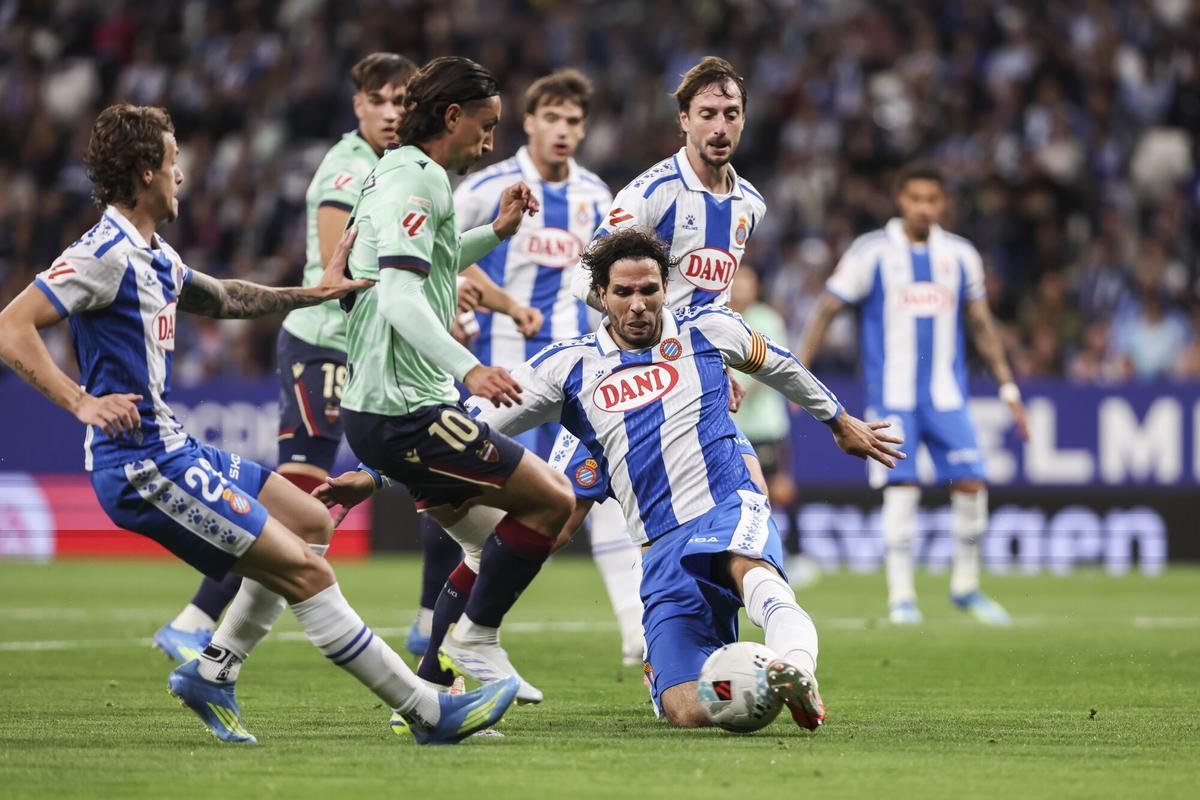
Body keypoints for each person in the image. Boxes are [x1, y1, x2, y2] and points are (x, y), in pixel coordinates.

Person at [0, 103, 517, 744]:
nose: (181, 174)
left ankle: (213, 673)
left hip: (174, 446)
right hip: (140, 465)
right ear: (144, 171)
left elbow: (224, 296)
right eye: (173, 161)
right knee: (307, 572)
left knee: (311, 519)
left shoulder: (151, 253)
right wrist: (81, 401)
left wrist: (317, 292)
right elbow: (11, 326)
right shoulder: (102, 254)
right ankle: (428, 711)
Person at [320, 228, 904, 729]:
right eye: (623, 292)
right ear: (600, 297)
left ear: (665, 289)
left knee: (750, 571)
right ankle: (761, 687)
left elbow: (778, 362)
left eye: (649, 289)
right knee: (683, 710)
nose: (639, 303)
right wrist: (372, 475)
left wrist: (838, 421)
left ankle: (799, 671)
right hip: (657, 548)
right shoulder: (568, 366)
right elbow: (468, 424)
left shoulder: (709, 330)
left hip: (725, 501)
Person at [336, 56, 576, 706]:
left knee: (485, 547)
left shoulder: (412, 176)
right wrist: (467, 366)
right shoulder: (417, 182)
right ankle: (476, 641)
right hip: (406, 410)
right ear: (452, 117)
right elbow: (400, 298)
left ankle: (432, 696)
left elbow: (432, 262)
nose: (490, 143)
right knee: (555, 503)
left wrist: (494, 233)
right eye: (486, 126)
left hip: (388, 409)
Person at [449, 68, 644, 671]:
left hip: (583, 368)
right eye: (551, 118)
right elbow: (438, 252)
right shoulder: (489, 186)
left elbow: (614, 278)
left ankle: (635, 633)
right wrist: (481, 301)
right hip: (504, 369)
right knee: (478, 498)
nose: (563, 131)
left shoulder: (595, 194)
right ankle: (457, 629)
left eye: (574, 121)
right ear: (528, 122)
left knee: (607, 489)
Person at [798, 162, 1030, 626]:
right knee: (901, 490)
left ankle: (965, 587)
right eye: (915, 199)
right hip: (892, 397)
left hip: (948, 397)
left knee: (971, 483)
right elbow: (827, 308)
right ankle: (902, 597)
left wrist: (1006, 384)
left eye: (933, 199)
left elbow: (981, 322)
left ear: (944, 203)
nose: (924, 208)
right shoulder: (873, 252)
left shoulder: (961, 255)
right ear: (900, 201)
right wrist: (799, 371)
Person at [572, 56, 770, 494]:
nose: (719, 126)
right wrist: (643, 336)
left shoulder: (750, 205)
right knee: (558, 513)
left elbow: (712, 297)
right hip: (627, 376)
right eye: (707, 114)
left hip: (697, 378)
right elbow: (582, 281)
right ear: (684, 120)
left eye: (730, 115)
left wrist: (714, 356)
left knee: (751, 493)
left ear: (743, 121)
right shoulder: (651, 192)